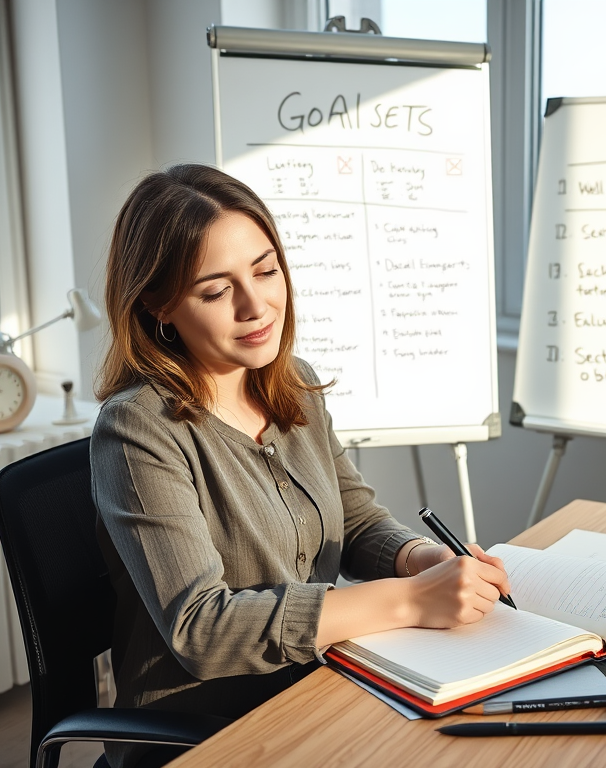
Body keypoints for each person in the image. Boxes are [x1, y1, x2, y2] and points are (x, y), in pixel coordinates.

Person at [91, 164, 510, 768]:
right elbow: (202, 631)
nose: (255, 305)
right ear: (158, 305)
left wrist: (422, 558)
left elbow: (356, 521)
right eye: (215, 290)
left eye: (265, 270)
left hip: (319, 684)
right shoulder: (137, 429)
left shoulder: (295, 384)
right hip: (209, 731)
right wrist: (411, 601)